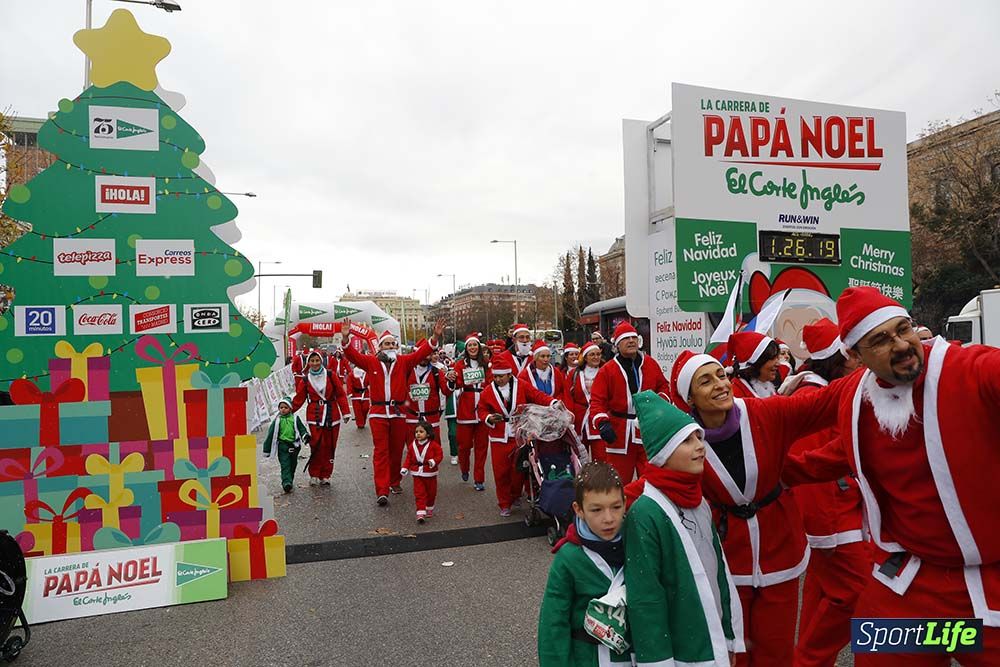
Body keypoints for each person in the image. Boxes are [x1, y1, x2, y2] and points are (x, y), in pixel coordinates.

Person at [781, 286, 1000, 666]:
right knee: (876, 649)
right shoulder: (856, 397)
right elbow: (832, 449)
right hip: (910, 585)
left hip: (990, 583)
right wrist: (771, 474)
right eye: (880, 340)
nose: (901, 345)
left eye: (904, 329)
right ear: (855, 355)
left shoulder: (967, 368)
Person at [668, 347, 839, 666]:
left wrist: (878, 370)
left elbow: (826, 403)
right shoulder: (682, 440)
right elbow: (655, 486)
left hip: (780, 546)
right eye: (705, 381)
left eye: (721, 375)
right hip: (727, 553)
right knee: (735, 650)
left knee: (777, 651)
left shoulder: (764, 412)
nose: (720, 385)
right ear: (690, 398)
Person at [624, 391, 744, 667]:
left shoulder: (699, 501)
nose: (700, 446)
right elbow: (646, 597)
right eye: (687, 441)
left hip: (710, 638)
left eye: (699, 438)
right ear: (663, 454)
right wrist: (658, 661)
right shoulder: (646, 512)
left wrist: (728, 636)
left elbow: (719, 571)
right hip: (682, 653)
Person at [781, 318, 869, 667]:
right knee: (857, 592)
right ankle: (808, 660)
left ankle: (807, 661)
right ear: (836, 358)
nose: (859, 361)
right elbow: (809, 475)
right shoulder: (812, 398)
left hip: (842, 512)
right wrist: (822, 533)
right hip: (835, 520)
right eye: (853, 355)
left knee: (821, 596)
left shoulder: (822, 392)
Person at [537, 461, 633, 666]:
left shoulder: (637, 544)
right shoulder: (569, 557)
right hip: (587, 657)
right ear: (578, 509)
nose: (608, 518)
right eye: (596, 510)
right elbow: (554, 622)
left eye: (616, 507)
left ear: (625, 502)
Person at [342, 319, 445, 506]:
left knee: (397, 450)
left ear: (397, 347)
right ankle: (382, 490)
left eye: (393, 344)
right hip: (379, 412)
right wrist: (345, 338)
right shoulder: (371, 362)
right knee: (381, 451)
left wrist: (435, 337)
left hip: (398, 412)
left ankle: (394, 481)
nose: (390, 346)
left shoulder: (404, 361)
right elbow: (353, 356)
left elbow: (422, 352)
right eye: (387, 344)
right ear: (380, 347)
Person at [478, 351, 559, 516]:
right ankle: (504, 503)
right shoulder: (488, 391)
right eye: (495, 377)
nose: (498, 379)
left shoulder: (521, 385)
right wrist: (488, 417)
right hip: (499, 436)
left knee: (518, 470)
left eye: (501, 376)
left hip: (519, 434)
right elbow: (481, 409)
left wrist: (553, 402)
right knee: (501, 472)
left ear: (509, 374)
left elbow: (537, 395)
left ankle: (515, 495)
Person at [589, 321, 671, 483]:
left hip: (647, 430)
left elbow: (663, 386)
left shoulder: (650, 363)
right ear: (617, 344)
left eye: (634, 337)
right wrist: (602, 423)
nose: (631, 341)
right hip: (619, 433)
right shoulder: (608, 370)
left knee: (650, 479)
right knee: (619, 481)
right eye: (626, 339)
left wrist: (659, 404)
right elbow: (597, 400)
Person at [290, 350, 351, 486]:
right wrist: (288, 410)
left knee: (330, 445)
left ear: (321, 361)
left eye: (317, 360)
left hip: (332, 415)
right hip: (314, 416)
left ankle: (326, 474)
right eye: (312, 361)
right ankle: (314, 473)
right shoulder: (305, 379)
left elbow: (340, 394)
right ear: (308, 363)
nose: (315, 363)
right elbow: (299, 398)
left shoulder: (330, 375)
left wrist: (345, 412)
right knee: (316, 444)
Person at [446, 333, 491, 491]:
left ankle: (479, 479)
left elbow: (491, 382)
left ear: (479, 347)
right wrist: (451, 378)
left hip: (483, 408)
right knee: (464, 446)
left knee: (481, 447)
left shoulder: (486, 364)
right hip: (466, 408)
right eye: (470, 345)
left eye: (475, 345)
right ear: (466, 348)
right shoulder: (460, 364)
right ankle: (464, 468)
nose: (472, 348)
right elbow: (455, 384)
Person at [404, 340, 452, 443]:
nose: (424, 358)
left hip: (431, 418)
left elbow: (446, 391)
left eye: (427, 355)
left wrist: (452, 382)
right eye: (422, 355)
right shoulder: (407, 371)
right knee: (413, 448)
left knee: (434, 447)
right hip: (412, 418)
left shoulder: (436, 372)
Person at [262, 396, 310, 493]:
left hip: (294, 446)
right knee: (285, 465)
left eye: (285, 407)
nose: (283, 409)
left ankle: (289, 480)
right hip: (282, 446)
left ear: (290, 408)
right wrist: (266, 449)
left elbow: (301, 429)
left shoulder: (295, 418)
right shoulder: (277, 421)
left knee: (293, 464)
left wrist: (305, 436)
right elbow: (270, 434)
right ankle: (286, 482)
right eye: (281, 407)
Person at [399, 420, 444, 524]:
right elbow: (409, 458)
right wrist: (405, 467)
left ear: (428, 434)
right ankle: (420, 511)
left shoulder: (434, 445)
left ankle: (429, 507)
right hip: (417, 473)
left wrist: (434, 461)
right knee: (419, 493)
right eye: (416, 432)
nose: (418, 434)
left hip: (430, 473)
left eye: (421, 432)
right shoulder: (412, 446)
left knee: (431, 493)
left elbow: (439, 455)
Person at [564, 341, 603, 451]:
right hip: (580, 420)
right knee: (580, 455)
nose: (596, 357)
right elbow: (568, 397)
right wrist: (570, 417)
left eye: (598, 354)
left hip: (599, 419)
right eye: (592, 354)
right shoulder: (574, 374)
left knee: (601, 456)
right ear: (585, 357)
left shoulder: (605, 371)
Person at [727, 331, 781, 398]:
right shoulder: (736, 394)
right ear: (756, 362)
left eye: (777, 358)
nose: (778, 364)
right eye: (772, 358)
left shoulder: (768, 387)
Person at [347, 363, 370, 429]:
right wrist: (349, 393)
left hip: (365, 394)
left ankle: (363, 420)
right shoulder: (352, 374)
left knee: (366, 408)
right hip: (355, 394)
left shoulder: (367, 373)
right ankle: (360, 424)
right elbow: (349, 384)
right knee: (358, 410)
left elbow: (371, 382)